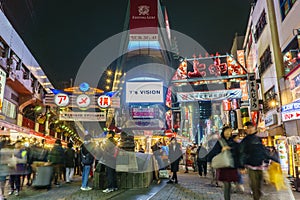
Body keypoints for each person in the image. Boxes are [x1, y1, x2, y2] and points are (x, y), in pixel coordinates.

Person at [239, 121, 270, 200]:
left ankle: (257, 196)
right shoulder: (245, 140)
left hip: (260, 165)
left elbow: (263, 151)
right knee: (254, 185)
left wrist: (266, 160)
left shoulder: (258, 138)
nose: (249, 129)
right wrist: (242, 166)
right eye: (248, 128)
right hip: (251, 165)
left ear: (254, 127)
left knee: (259, 185)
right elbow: (241, 153)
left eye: (251, 127)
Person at [207, 126, 239, 200]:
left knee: (231, 184)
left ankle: (229, 195)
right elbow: (213, 152)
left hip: (232, 165)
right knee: (227, 184)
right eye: (226, 131)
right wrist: (221, 150)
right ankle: (227, 198)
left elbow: (238, 152)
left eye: (229, 131)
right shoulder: (219, 142)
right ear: (223, 132)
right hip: (224, 165)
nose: (228, 132)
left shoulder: (234, 142)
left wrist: (230, 148)